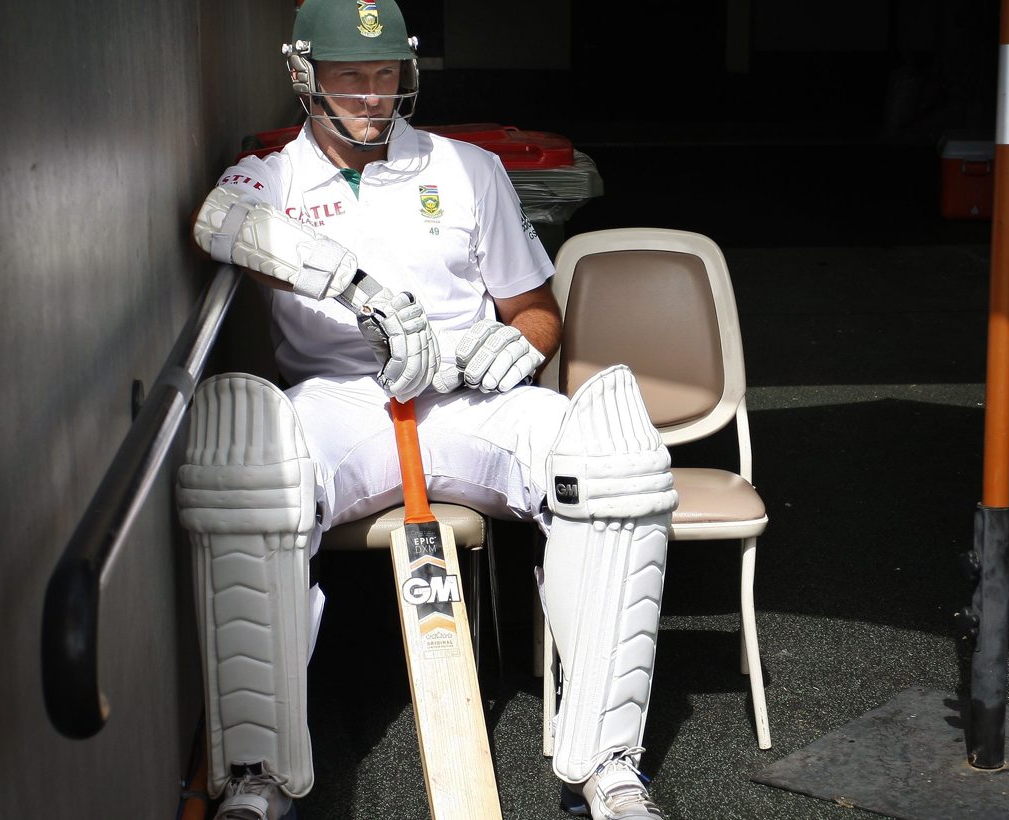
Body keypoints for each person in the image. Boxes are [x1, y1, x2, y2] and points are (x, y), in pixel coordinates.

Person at [175, 1, 677, 818]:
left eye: (386, 77)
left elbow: (535, 308)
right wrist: (357, 290)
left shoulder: (466, 166)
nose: (372, 96)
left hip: (470, 399)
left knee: (615, 463)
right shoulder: (274, 173)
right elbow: (217, 222)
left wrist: (520, 348)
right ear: (303, 75)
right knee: (247, 473)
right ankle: (256, 775)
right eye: (351, 77)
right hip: (342, 405)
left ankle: (609, 767)